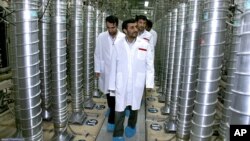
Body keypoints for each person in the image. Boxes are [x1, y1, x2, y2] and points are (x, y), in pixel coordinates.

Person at [109, 19, 154, 141]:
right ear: (125, 30)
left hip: (137, 82)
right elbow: (113, 66)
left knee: (135, 107)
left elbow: (149, 64)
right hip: (121, 82)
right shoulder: (118, 45)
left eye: (136, 27)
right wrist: (112, 87)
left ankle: (131, 125)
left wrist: (149, 83)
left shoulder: (144, 44)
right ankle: (118, 134)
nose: (136, 29)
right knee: (119, 109)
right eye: (132, 27)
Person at [94, 15, 125, 132]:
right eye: (108, 28)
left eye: (112, 27)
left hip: (119, 71)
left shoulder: (123, 37)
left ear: (117, 25)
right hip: (106, 70)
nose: (110, 30)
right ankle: (112, 111)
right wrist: (97, 69)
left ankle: (112, 119)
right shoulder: (101, 36)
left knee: (117, 96)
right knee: (108, 93)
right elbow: (97, 53)